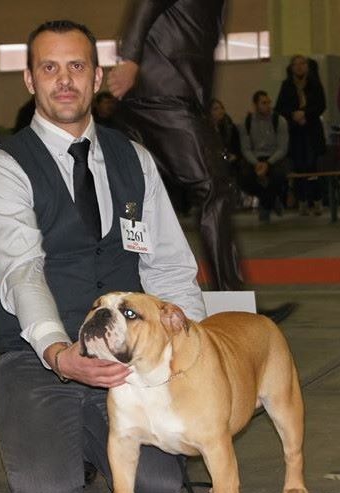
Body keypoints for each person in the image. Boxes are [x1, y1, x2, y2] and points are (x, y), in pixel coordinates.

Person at [0, 19, 206, 493]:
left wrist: (193, 345)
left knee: (158, 491)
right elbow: (22, 273)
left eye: (76, 66)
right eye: (50, 67)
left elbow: (166, 263)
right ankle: (72, 436)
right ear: (30, 80)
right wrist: (60, 354)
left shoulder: (135, 160)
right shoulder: (5, 167)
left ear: (97, 78)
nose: (64, 80)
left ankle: (97, 431)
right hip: (38, 356)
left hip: (130, 361)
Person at [107, 0, 243, 292]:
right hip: (165, 94)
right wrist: (130, 59)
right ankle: (232, 301)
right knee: (213, 189)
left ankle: (127, 290)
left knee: (133, 198)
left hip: (168, 95)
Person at [275, 55, 327, 216]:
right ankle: (302, 201)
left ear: (307, 66)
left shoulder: (315, 84)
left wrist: (305, 113)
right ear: (291, 67)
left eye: (302, 64)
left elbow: (321, 105)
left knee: (312, 166)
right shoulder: (286, 85)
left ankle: (317, 200)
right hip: (295, 131)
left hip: (311, 129)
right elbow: (280, 108)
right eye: (295, 64)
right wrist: (293, 115)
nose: (299, 67)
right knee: (298, 166)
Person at [239, 91, 289, 222]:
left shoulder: (279, 120)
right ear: (256, 105)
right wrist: (256, 163)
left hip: (274, 157)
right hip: (255, 158)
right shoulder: (247, 122)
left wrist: (268, 163)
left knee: (278, 176)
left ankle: (266, 207)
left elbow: (282, 148)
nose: (267, 106)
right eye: (263, 103)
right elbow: (246, 148)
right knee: (244, 178)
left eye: (268, 102)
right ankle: (272, 200)